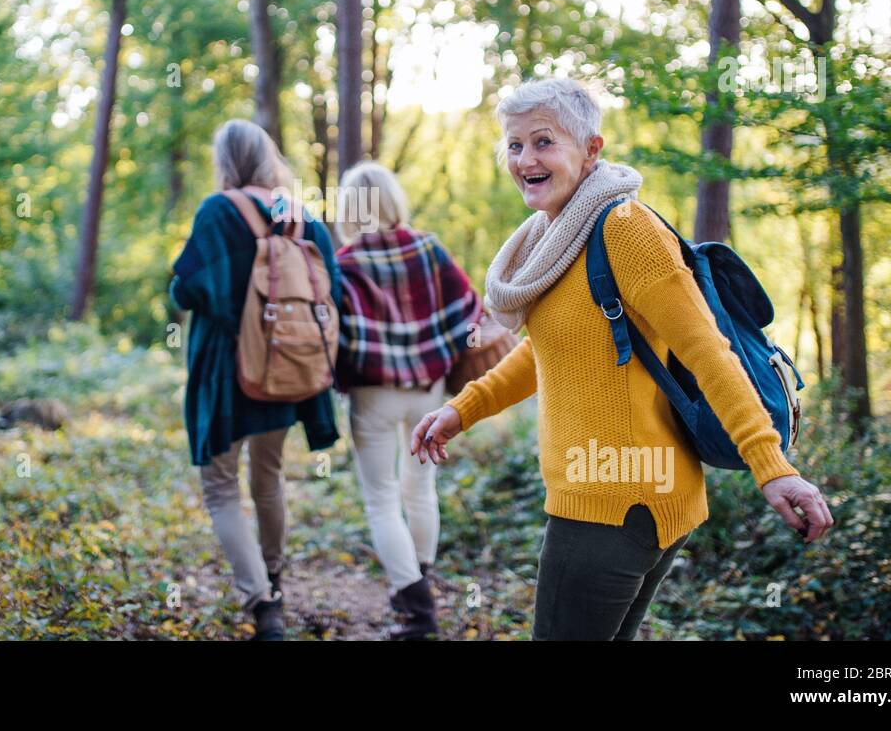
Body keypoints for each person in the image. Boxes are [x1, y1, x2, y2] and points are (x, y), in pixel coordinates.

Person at [410, 77, 835, 640]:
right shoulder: (556, 236)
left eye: (543, 142)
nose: (524, 159)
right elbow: (552, 349)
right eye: (514, 145)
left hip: (610, 503)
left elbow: (710, 353)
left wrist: (772, 468)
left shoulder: (625, 230)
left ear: (591, 150)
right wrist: (464, 409)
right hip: (625, 497)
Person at [169, 119, 344, 640]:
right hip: (288, 370)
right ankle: (274, 576)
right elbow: (331, 286)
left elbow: (188, 288)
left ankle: (261, 603)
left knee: (221, 486)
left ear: (225, 161)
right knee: (268, 478)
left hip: (228, 371)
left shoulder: (218, 211)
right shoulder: (302, 216)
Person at [334, 161, 481, 640]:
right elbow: (469, 313)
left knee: (381, 499)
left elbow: (335, 335)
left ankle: (416, 611)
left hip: (373, 393)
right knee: (420, 490)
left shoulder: (347, 263)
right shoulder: (429, 249)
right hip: (428, 391)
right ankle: (419, 583)